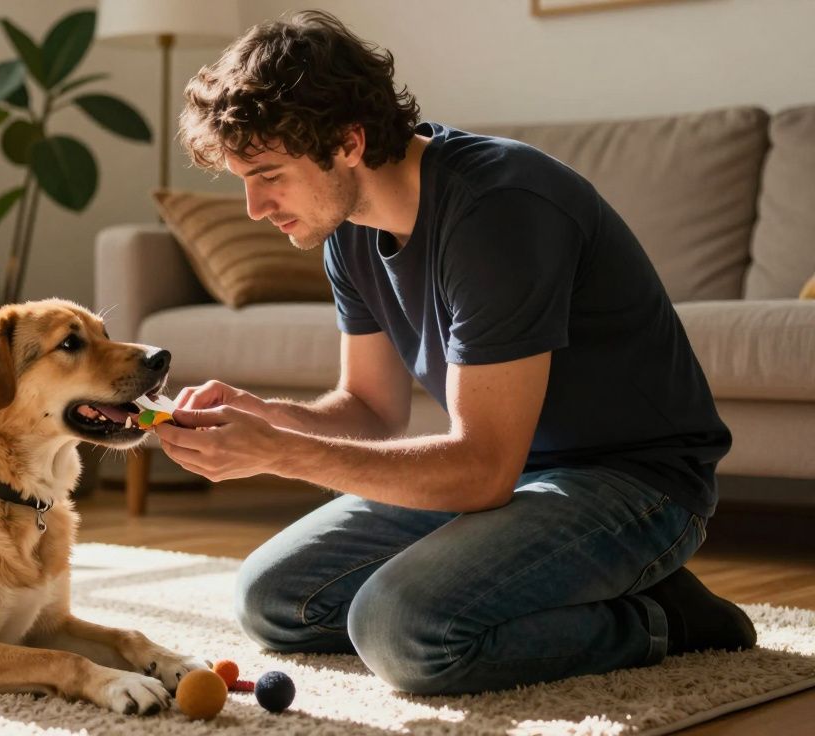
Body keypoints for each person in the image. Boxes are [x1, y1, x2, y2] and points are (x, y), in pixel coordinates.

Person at [154, 9, 756, 696]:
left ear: (348, 142)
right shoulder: (347, 228)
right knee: (272, 600)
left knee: (399, 629)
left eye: (269, 175)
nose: (255, 208)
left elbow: (480, 473)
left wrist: (278, 454)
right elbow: (371, 410)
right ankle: (550, 580)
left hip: (636, 485)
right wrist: (264, 417)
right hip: (515, 477)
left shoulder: (498, 210)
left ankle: (664, 618)